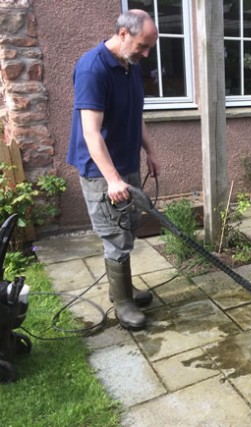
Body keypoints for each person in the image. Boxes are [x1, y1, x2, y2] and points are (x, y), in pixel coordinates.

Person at [67, 10, 160, 330]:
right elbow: (91, 132)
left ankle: (123, 288)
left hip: (126, 164)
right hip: (101, 171)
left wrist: (149, 152)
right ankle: (122, 303)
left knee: (128, 227)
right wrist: (112, 179)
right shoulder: (93, 68)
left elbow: (137, 114)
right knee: (115, 235)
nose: (146, 55)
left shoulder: (129, 65)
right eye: (142, 46)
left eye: (150, 48)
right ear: (122, 34)